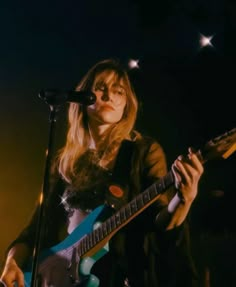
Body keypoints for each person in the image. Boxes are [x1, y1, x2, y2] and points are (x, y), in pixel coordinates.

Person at [0, 58, 204, 287]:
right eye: (100, 88)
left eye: (119, 91)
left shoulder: (142, 152)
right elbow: (35, 230)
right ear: (83, 97)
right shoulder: (64, 162)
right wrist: (12, 262)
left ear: (127, 105)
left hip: (117, 277)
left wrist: (183, 199)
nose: (109, 96)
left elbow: (159, 221)